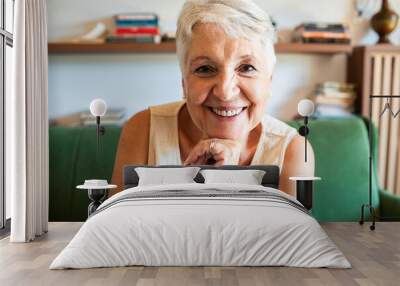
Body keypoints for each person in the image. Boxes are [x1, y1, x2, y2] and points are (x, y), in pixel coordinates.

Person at [111, 0, 314, 197]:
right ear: (184, 82)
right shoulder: (144, 130)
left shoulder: (293, 151)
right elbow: (115, 228)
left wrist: (232, 180)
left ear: (268, 82)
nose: (225, 92)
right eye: (205, 69)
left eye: (246, 68)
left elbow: (286, 232)